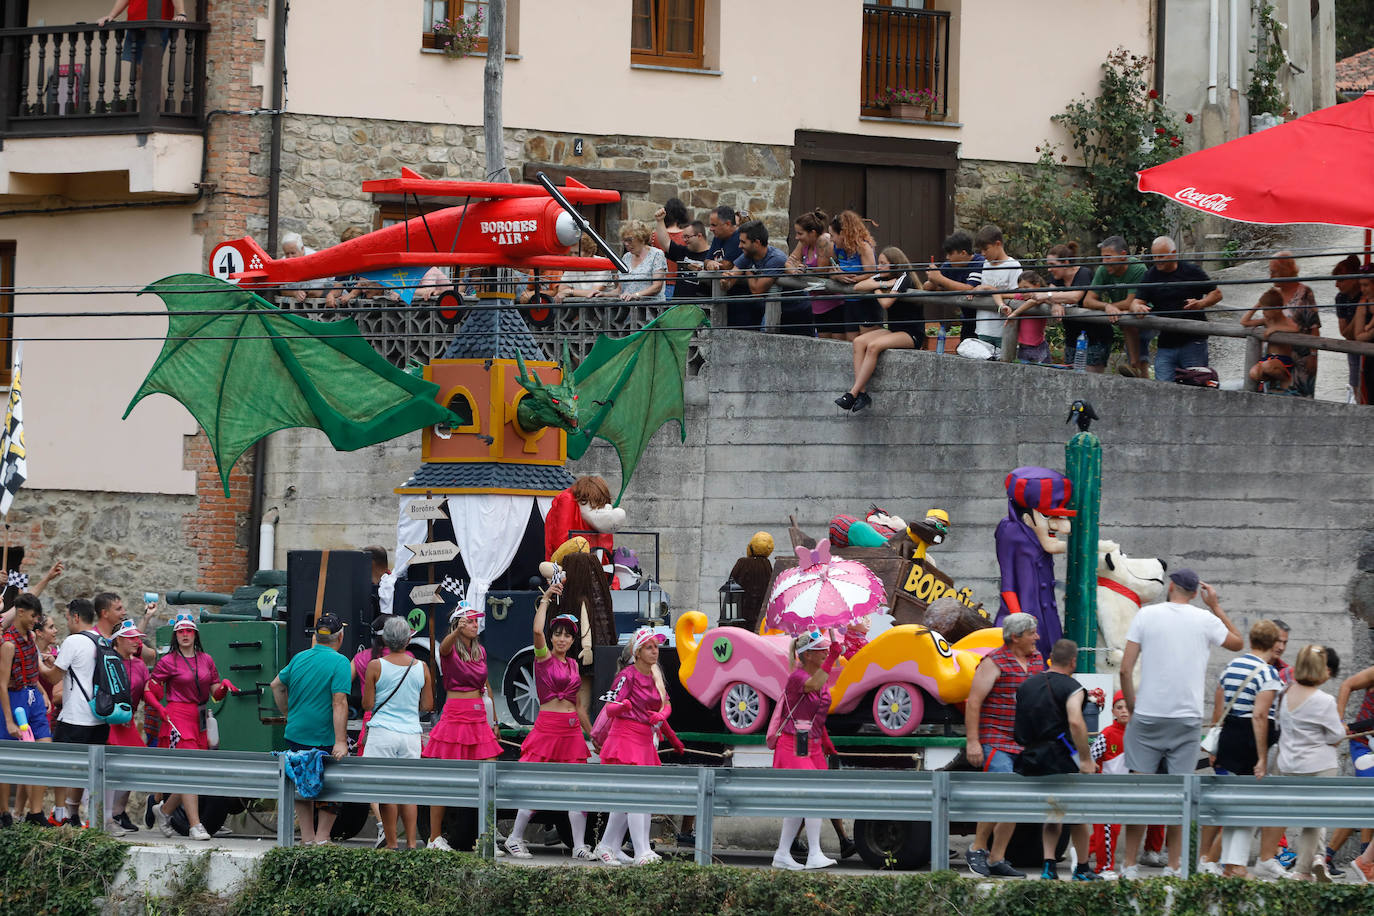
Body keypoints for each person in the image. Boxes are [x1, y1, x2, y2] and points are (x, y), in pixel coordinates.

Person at [1118, 568, 1242, 878]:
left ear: (1171, 586)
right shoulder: (1205, 620)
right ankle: (1174, 865)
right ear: (1194, 592)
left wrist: (1133, 708)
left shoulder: (1146, 615)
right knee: (1180, 794)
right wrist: (1214, 605)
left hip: (1147, 716)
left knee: (1139, 793)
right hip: (1186, 719)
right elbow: (1238, 643)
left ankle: (1130, 864)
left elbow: (1125, 669)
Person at [505, 582, 597, 860]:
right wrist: (545, 599)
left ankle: (579, 845)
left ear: (572, 641)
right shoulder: (543, 658)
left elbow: (579, 706)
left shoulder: (573, 665)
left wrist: (593, 735)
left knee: (575, 788)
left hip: (571, 733)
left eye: (567, 636)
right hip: (547, 729)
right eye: (557, 634)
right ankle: (514, 837)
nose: (561, 639)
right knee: (537, 784)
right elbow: (536, 630)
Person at [963, 612, 1044, 878]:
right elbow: (973, 702)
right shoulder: (994, 662)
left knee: (1015, 799)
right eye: (1032, 633)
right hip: (996, 738)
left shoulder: (1037, 660)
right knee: (1000, 793)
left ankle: (997, 857)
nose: (1037, 637)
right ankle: (977, 848)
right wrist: (973, 742)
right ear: (1015, 637)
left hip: (1024, 741)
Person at [1012, 639, 1100, 882]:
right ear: (1073, 661)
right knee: (1078, 815)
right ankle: (1082, 868)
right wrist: (1085, 759)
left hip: (1030, 759)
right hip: (1061, 759)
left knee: (1054, 813)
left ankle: (1049, 866)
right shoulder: (1073, 687)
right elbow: (1075, 721)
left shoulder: (1026, 686)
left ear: (1051, 658)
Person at [422, 601, 502, 852]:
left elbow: (485, 686)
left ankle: (486, 836)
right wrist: (457, 629)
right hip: (455, 715)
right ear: (458, 624)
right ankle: (434, 837)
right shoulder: (449, 648)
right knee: (444, 777)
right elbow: (443, 647)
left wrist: (495, 720)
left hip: (478, 716)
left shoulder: (481, 651)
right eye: (469, 621)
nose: (475, 624)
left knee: (489, 775)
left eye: (476, 621)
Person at [150, 613, 237, 841]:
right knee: (189, 769)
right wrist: (160, 707)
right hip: (178, 714)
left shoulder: (206, 659)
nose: (185, 635)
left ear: (195, 634)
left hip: (199, 715)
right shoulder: (168, 660)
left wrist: (224, 687)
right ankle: (195, 825)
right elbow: (151, 688)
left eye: (188, 631)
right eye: (180, 631)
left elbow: (215, 693)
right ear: (175, 634)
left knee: (197, 771)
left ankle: (165, 811)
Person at [1206, 620, 1283, 878]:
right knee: (1249, 806)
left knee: (1233, 805)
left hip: (1229, 735)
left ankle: (1231, 864)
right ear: (1272, 644)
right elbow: (1260, 716)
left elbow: (1221, 703)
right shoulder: (1267, 673)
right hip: (1249, 742)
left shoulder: (1231, 665)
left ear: (1251, 640)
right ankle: (1235, 865)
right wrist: (1261, 757)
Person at [43, 594, 124, 827]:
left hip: (75, 717)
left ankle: (62, 814)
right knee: (88, 769)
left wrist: (38, 661)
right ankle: (81, 815)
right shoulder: (103, 640)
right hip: (99, 717)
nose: (67, 622)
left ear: (76, 617)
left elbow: (53, 676)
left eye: (68, 617)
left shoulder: (73, 641)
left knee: (61, 766)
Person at [592, 627, 671, 867]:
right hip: (625, 739)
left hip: (645, 740)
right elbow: (609, 706)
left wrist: (662, 716)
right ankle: (640, 850)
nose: (655, 651)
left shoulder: (654, 677)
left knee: (634, 797)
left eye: (656, 647)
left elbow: (666, 704)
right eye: (649, 647)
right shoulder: (627, 675)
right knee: (634, 795)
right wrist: (623, 706)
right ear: (637, 652)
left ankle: (610, 846)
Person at [271, 613, 351, 845]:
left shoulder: (299, 658)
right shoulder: (340, 662)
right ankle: (322, 837)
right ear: (340, 637)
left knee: (301, 779)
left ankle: (307, 838)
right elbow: (339, 702)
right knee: (331, 783)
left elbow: (276, 685)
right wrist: (341, 741)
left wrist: (287, 714)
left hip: (297, 733)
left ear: (316, 635)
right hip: (324, 736)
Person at [1274, 645, 1347, 882]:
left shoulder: (1284, 694)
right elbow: (1336, 736)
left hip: (1289, 765)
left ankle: (1316, 860)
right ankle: (1304, 869)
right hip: (1319, 765)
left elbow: (1279, 726)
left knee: (1309, 818)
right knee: (1315, 818)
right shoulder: (1324, 700)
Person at [769, 629, 841, 871]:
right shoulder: (797, 677)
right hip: (793, 742)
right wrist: (832, 658)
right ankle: (815, 853)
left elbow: (817, 714)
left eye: (825, 649)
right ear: (808, 654)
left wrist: (826, 741)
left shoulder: (818, 676)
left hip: (812, 743)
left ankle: (781, 853)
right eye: (820, 650)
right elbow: (814, 685)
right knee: (811, 796)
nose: (824, 653)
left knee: (802, 801)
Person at [362, 616, 433, 850]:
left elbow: (367, 704)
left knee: (385, 791)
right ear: (408, 638)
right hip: (410, 734)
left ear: (385, 639)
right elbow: (427, 706)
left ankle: (392, 844)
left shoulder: (376, 665)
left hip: (382, 732)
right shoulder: (421, 667)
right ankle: (412, 844)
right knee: (409, 790)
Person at [835, 246, 923, 412]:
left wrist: (875, 287)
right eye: (879, 263)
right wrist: (882, 283)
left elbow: (886, 303)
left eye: (883, 263)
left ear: (894, 264)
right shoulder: (884, 277)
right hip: (894, 329)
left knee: (874, 347)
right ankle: (862, 393)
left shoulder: (904, 277)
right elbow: (858, 287)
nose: (879, 267)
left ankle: (852, 394)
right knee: (859, 342)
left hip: (911, 333)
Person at [0, 594, 58, 828]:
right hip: (13, 699)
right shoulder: (8, 644)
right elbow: (2, 684)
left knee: (44, 752)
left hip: (33, 697)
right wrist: (9, 720)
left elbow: (33, 670)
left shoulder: (32, 636)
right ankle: (3, 811)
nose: (36, 620)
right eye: (33, 615)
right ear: (20, 612)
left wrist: (43, 694)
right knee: (6, 759)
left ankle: (35, 812)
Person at [104, 619, 165, 835]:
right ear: (118, 639)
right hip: (110, 722)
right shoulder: (107, 660)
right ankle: (107, 817)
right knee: (111, 769)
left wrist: (158, 700)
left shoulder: (139, 664)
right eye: (131, 637)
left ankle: (119, 812)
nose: (137, 641)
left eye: (138, 637)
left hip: (128, 722)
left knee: (132, 765)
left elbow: (147, 691)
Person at [1135, 237, 1223, 384]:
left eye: (1161, 256)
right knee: (1162, 387)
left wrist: (1201, 303)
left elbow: (1216, 294)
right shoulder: (1151, 275)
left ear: (1174, 254)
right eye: (1155, 256)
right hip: (1166, 343)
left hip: (1193, 340)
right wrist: (1137, 307)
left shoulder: (1191, 270)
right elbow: (1136, 301)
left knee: (1195, 386)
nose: (1158, 260)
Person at [1082, 236, 1149, 377]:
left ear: (1123, 255)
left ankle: (1135, 366)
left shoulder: (1137, 268)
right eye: (1103, 258)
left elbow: (1131, 303)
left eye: (1108, 257)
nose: (1104, 262)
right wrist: (1107, 306)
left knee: (1130, 323)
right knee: (1126, 322)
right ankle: (1136, 368)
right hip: (1124, 319)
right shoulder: (1103, 269)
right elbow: (1087, 301)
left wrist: (1110, 307)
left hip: (1146, 314)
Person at [1042, 243, 1102, 371]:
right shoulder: (1056, 277)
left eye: (1053, 265)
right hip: (1072, 337)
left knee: (1090, 381)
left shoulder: (1084, 273)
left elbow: (1075, 296)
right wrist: (1055, 303)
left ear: (1066, 262)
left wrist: (1049, 296)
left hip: (1094, 337)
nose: (1049, 269)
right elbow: (1049, 294)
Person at [1088, 691, 1130, 876]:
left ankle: (1082, 852)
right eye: (1119, 708)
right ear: (1112, 711)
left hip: (1123, 793)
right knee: (1107, 830)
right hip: (1105, 791)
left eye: (1127, 707)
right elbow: (1090, 757)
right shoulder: (1107, 735)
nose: (1124, 711)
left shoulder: (1137, 735)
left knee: (1110, 831)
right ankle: (1104, 868)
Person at [1267, 251, 1320, 397]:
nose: (1270, 276)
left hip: (1301, 361)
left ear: (1285, 271)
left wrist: (1313, 356)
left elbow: (1314, 327)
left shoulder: (1305, 294)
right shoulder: (1273, 294)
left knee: (1299, 399)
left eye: (1274, 272)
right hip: (1276, 360)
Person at [786, 209, 841, 339]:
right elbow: (789, 262)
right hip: (817, 304)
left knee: (839, 345)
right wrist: (794, 270)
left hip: (834, 303)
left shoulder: (824, 240)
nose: (796, 237)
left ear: (812, 233)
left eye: (800, 233)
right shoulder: (804, 243)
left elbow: (821, 272)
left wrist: (804, 269)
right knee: (823, 344)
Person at [923, 230, 984, 344]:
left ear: (963, 253)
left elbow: (970, 289)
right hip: (967, 320)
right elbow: (928, 287)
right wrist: (932, 279)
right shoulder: (949, 265)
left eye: (950, 253)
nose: (947, 257)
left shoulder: (979, 263)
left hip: (983, 322)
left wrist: (940, 279)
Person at [968, 225, 1022, 351]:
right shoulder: (986, 264)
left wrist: (994, 293)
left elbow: (1018, 295)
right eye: (980, 251)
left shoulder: (1013, 265)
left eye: (985, 249)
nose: (983, 254)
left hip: (1004, 329)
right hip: (983, 327)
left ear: (998, 244)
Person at [1239, 289, 1301, 393]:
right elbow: (1244, 322)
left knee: (1268, 366)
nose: (1263, 313)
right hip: (1268, 358)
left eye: (1265, 310)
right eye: (1262, 309)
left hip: (1283, 360)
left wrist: (1276, 328)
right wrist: (1258, 304)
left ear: (1277, 309)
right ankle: (1271, 382)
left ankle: (1287, 380)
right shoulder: (1267, 321)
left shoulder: (1287, 321)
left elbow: (1296, 328)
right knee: (1253, 373)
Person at [829, 211, 878, 340]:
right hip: (849, 301)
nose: (831, 239)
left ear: (843, 234)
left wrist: (851, 279)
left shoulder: (863, 247)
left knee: (865, 341)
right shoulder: (838, 248)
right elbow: (832, 269)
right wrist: (837, 276)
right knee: (851, 342)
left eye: (833, 235)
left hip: (865, 302)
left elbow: (871, 273)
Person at [996, 271, 1051, 363]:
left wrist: (1015, 313)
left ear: (1037, 285)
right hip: (1023, 347)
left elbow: (1033, 301)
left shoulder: (1043, 296)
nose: (1023, 292)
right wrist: (1002, 305)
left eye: (1026, 288)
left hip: (1039, 346)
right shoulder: (1021, 297)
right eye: (1020, 289)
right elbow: (997, 293)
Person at [1333, 255, 1365, 403]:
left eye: (1341, 280)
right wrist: (1360, 310)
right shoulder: (1341, 299)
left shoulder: (1367, 293)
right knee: (1356, 384)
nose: (1336, 285)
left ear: (1353, 279)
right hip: (1353, 349)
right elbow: (1345, 333)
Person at [611, 220, 667, 302]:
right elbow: (619, 290)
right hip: (628, 309)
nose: (626, 244)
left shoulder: (656, 254)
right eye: (624, 240)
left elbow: (657, 287)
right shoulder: (626, 257)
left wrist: (636, 295)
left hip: (650, 309)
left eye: (629, 240)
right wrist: (602, 294)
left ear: (641, 238)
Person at [554, 235, 618, 302]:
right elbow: (561, 290)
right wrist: (569, 291)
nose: (573, 256)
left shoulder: (602, 263)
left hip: (602, 308)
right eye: (571, 253)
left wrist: (570, 291)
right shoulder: (572, 265)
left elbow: (593, 292)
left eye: (576, 253)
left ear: (589, 253)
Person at [701, 206, 743, 271]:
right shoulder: (718, 237)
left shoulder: (739, 238)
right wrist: (709, 263)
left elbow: (727, 265)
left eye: (714, 225)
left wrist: (712, 264)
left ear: (727, 224)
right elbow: (706, 260)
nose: (710, 229)